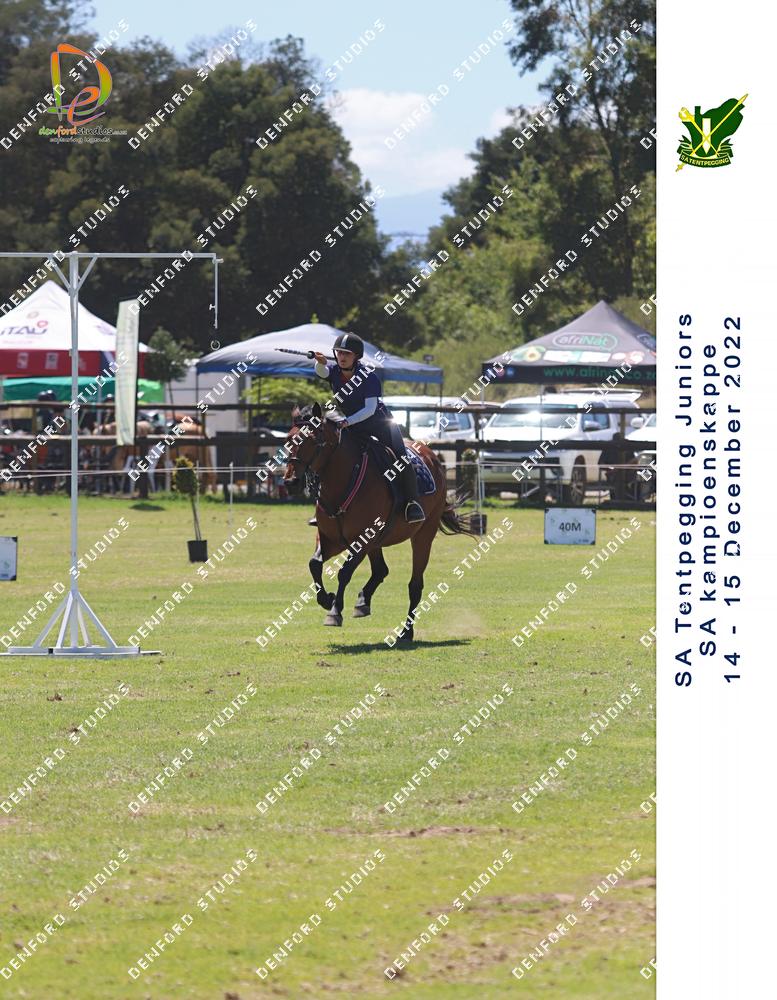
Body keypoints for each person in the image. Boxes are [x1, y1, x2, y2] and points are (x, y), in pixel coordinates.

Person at [312, 333, 425, 523]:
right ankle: (325, 507)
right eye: (339, 352)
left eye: (347, 353)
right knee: (331, 454)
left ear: (356, 356)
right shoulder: (334, 372)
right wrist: (320, 362)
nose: (342, 357)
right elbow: (321, 372)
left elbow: (369, 410)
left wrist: (346, 421)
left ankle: (413, 503)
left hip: (381, 425)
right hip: (353, 426)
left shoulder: (369, 377)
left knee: (401, 457)